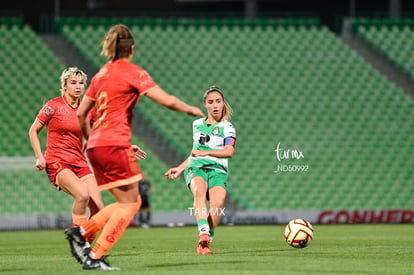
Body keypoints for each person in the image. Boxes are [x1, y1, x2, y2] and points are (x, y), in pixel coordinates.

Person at [64, 23, 205, 270]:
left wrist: (91, 140)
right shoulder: (133, 72)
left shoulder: (100, 75)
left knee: (123, 201)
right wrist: (190, 109)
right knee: (132, 203)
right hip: (114, 142)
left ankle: (82, 232)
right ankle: (94, 255)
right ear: (132, 49)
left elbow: (81, 115)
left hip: (96, 146)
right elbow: (167, 100)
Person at [28, 67, 104, 247]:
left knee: (99, 209)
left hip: (79, 162)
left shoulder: (87, 110)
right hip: (57, 162)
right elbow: (33, 131)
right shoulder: (53, 106)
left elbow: (96, 134)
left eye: (81, 83)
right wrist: (40, 157)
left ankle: (83, 245)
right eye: (73, 83)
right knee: (82, 196)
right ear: (64, 85)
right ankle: (79, 239)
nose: (78, 87)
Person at [165, 86, 236, 255]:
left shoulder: (228, 127)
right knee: (199, 192)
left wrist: (207, 152)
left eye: (218, 101)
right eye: (211, 102)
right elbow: (194, 153)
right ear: (205, 105)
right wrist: (180, 168)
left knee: (217, 205)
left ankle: (205, 243)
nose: (215, 105)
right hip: (196, 167)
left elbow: (229, 151)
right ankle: (203, 233)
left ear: (223, 103)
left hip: (218, 169)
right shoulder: (197, 124)